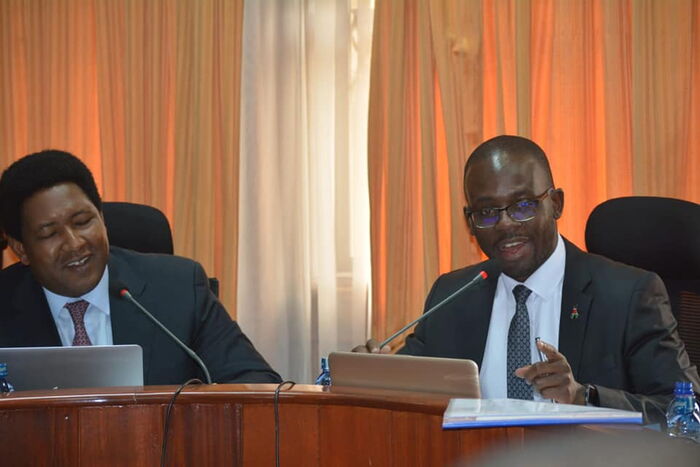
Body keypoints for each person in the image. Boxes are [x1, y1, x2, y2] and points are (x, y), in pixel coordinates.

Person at [356, 135, 699, 423]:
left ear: (556, 204)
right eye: (487, 213)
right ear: (469, 221)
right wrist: (375, 375)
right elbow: (414, 386)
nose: (506, 225)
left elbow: (687, 412)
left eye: (523, 205)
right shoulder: (453, 295)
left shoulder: (628, 295)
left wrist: (584, 396)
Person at [0, 150, 281, 385]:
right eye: (50, 234)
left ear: (102, 218)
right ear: (21, 248)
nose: (74, 244)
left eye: (83, 221)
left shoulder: (180, 289)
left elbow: (256, 383)